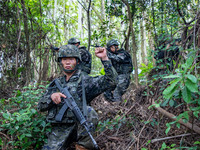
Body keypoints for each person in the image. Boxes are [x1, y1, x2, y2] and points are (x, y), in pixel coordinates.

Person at [38, 44, 117, 150]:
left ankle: (83, 147)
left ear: (78, 61)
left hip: (80, 126)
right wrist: (51, 97)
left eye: (71, 59)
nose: (67, 62)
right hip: (60, 128)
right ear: (60, 62)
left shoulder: (85, 80)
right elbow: (40, 106)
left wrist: (104, 58)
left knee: (89, 112)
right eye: (64, 59)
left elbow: (111, 81)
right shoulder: (56, 83)